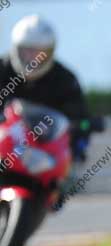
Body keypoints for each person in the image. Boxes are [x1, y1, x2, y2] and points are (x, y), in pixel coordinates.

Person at [0, 15, 91, 162]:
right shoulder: (2, 70)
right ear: (16, 49)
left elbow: (79, 118)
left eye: (39, 53)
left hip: (48, 159)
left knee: (71, 179)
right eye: (27, 51)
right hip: (4, 154)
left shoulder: (65, 79)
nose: (32, 59)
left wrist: (78, 140)